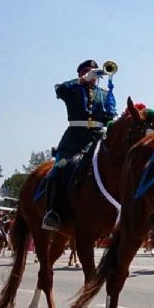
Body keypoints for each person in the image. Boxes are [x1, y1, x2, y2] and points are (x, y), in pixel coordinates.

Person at [42, 60, 116, 231]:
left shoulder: (104, 95)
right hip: (73, 139)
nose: (93, 74)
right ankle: (52, 213)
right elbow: (60, 89)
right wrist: (82, 80)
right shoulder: (72, 89)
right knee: (57, 170)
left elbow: (110, 116)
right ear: (80, 73)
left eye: (94, 72)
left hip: (97, 138)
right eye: (87, 71)